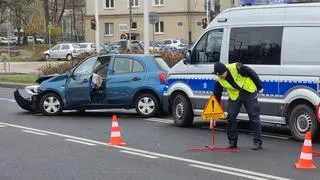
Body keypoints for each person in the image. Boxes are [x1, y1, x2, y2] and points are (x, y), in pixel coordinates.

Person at [212, 62, 263, 150]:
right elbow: (217, 96)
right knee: (231, 116)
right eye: (218, 75)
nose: (220, 77)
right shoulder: (219, 80)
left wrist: (259, 88)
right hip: (235, 95)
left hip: (248, 91)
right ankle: (232, 142)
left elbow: (252, 73)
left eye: (221, 74)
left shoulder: (237, 68)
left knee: (253, 116)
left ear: (225, 71)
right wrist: (214, 115)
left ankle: (257, 142)